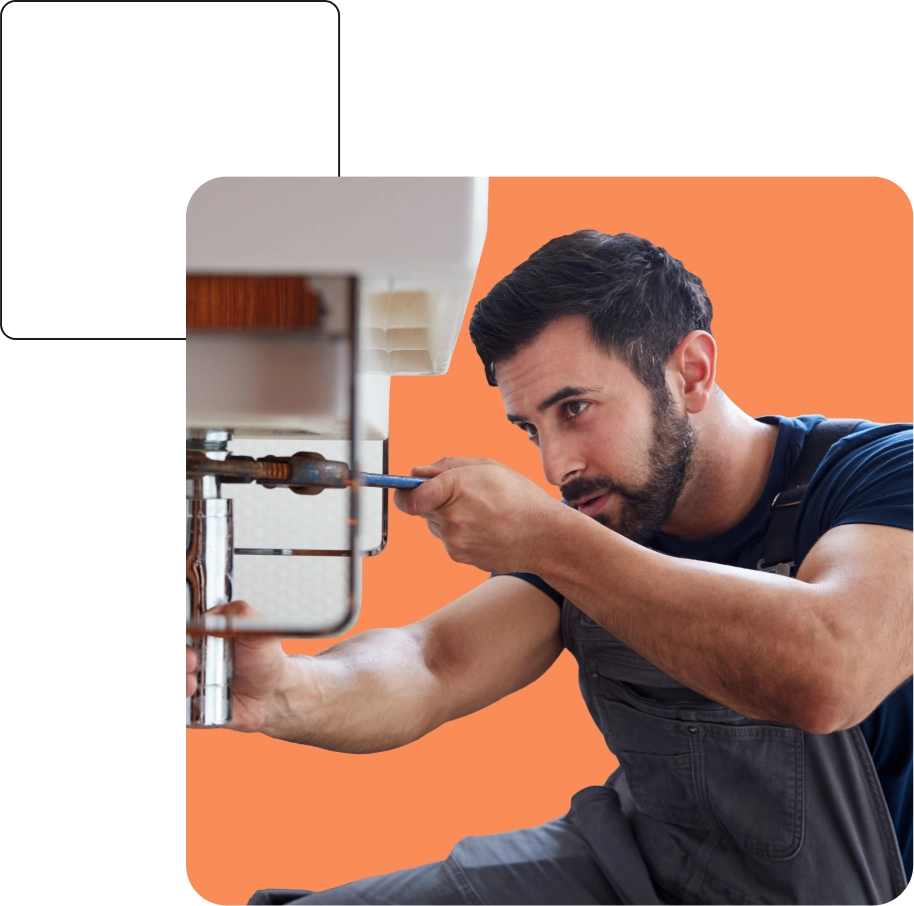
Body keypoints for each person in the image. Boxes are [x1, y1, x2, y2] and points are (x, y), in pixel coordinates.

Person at [186, 231, 913, 906]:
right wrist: (290, 692)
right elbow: (432, 659)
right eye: (530, 427)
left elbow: (830, 671)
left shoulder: (881, 476)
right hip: (628, 867)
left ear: (690, 371)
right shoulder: (600, 521)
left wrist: (548, 537)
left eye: (576, 408)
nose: (556, 464)